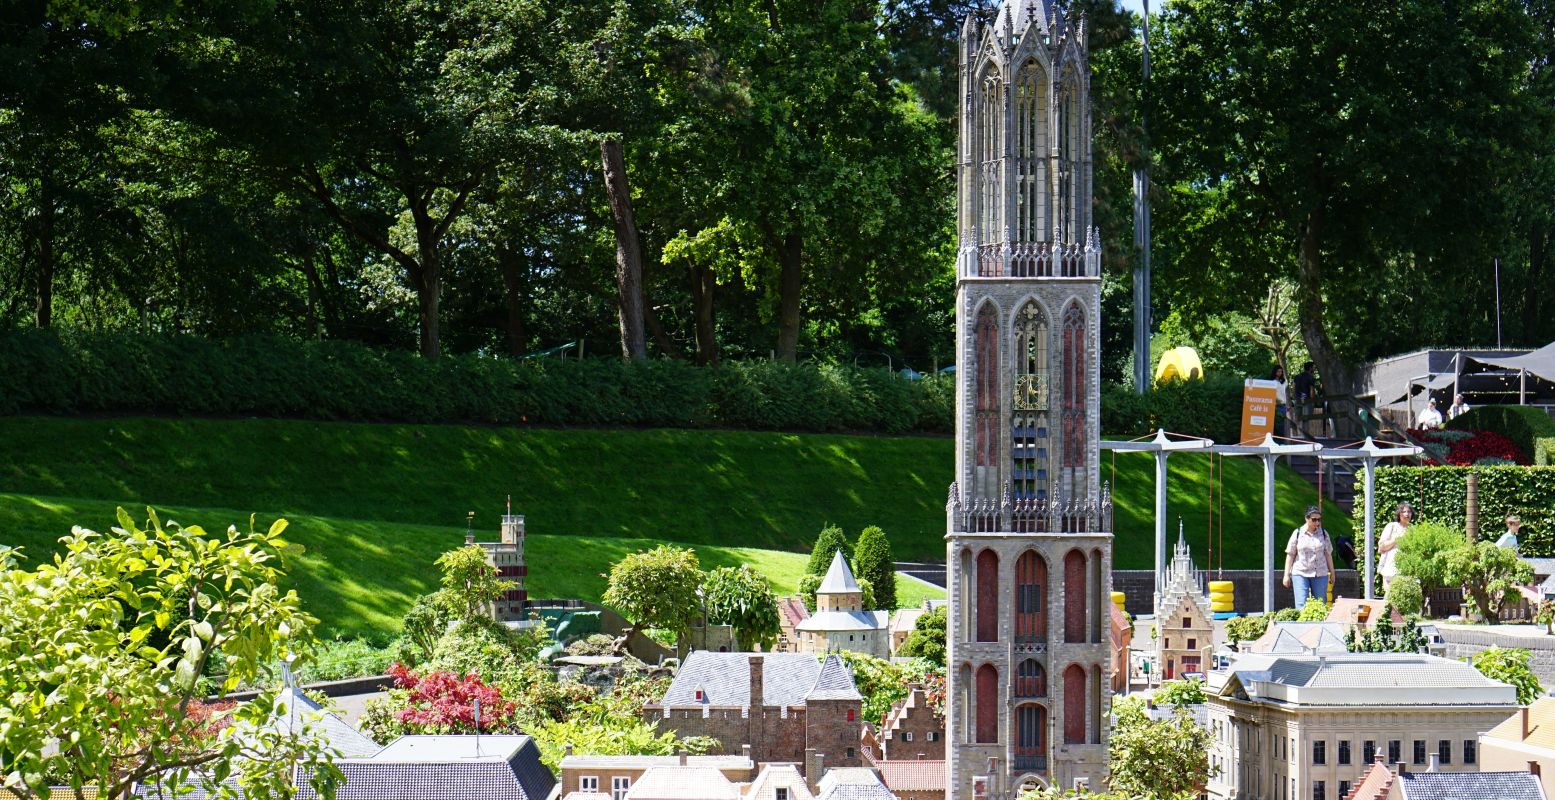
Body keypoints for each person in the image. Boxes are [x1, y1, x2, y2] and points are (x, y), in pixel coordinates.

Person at [1283, 506, 1336, 608]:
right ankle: (1302, 623)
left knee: (1320, 604)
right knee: (1301, 604)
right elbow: (1290, 554)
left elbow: (1328, 554)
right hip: (1300, 572)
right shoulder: (1297, 533)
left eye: (1319, 520)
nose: (1317, 523)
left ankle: (1319, 624)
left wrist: (1332, 573)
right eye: (1314, 520)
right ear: (1306, 519)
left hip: (1320, 573)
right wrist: (1286, 575)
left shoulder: (1324, 534)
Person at [1378, 502, 1412, 591]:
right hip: (1391, 565)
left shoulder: (1413, 529)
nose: (1407, 514)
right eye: (1404, 512)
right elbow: (1382, 547)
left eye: (1409, 512)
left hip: (1407, 567)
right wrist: (1396, 540)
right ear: (1399, 514)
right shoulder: (1392, 526)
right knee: (1391, 593)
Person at [1271, 365, 1289, 436]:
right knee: (1278, 425)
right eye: (1278, 371)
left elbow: (1286, 382)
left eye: (1281, 372)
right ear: (1275, 372)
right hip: (1277, 405)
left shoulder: (1283, 382)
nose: (1280, 373)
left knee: (1283, 425)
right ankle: (1278, 440)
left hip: (1283, 405)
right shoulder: (1272, 382)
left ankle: (1283, 441)